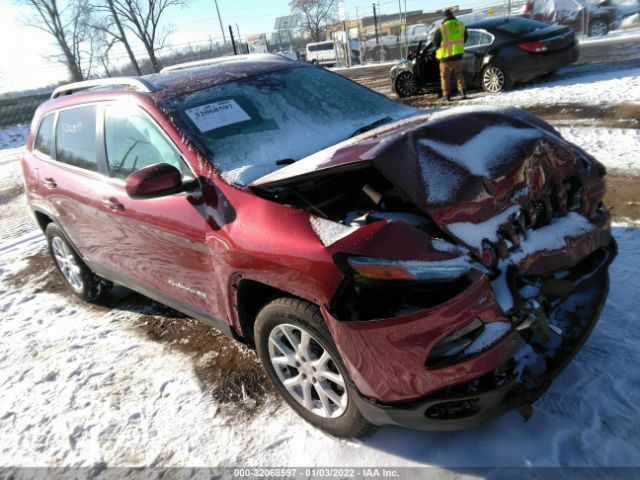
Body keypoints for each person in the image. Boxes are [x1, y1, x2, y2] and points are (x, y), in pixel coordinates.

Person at [433, 9, 468, 101]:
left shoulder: (442, 27)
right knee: (459, 74)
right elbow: (465, 38)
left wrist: (438, 49)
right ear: (452, 16)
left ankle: (446, 95)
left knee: (445, 76)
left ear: (444, 17)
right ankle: (463, 92)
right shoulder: (461, 25)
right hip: (458, 55)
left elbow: (435, 43)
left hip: (445, 57)